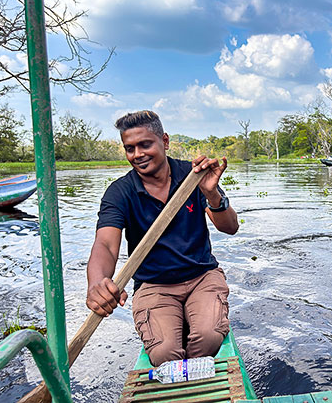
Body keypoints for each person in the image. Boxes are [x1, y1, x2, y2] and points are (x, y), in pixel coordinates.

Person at [86, 110, 239, 366]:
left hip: (201, 276)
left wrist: (212, 195)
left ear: (165, 142)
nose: (137, 155)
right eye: (130, 148)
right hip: (154, 284)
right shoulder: (119, 193)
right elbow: (105, 244)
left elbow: (230, 227)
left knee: (208, 340)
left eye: (145, 145)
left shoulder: (193, 176)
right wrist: (97, 282)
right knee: (164, 354)